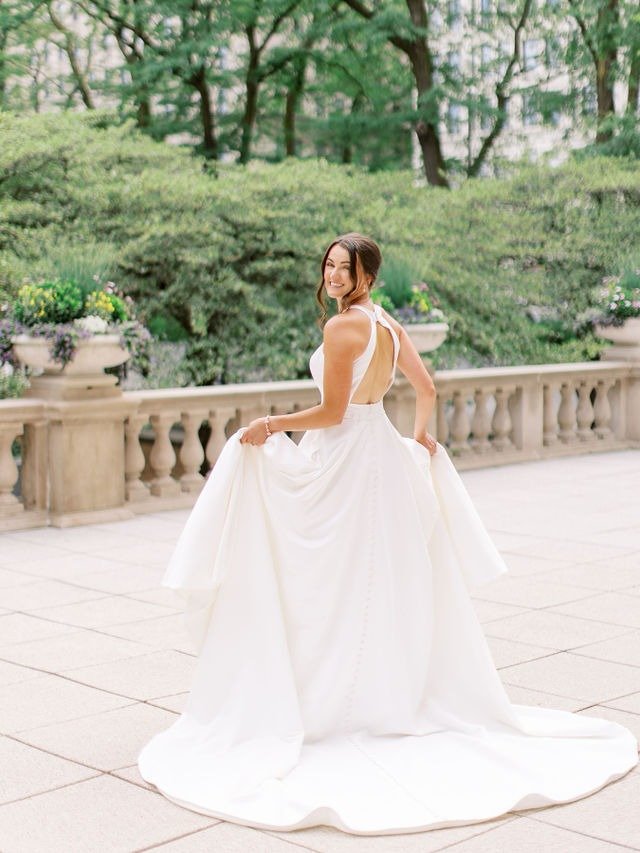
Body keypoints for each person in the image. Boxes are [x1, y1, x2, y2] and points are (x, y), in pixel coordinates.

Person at [138, 233, 638, 836]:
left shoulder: (342, 329)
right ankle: (374, 690)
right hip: (383, 454)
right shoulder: (386, 323)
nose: (330, 275)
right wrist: (422, 437)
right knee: (373, 578)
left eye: (342, 268)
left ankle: (330, 696)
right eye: (326, 264)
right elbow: (425, 390)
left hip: (347, 456)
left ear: (364, 275)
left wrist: (271, 424)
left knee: (331, 575)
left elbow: (331, 414)